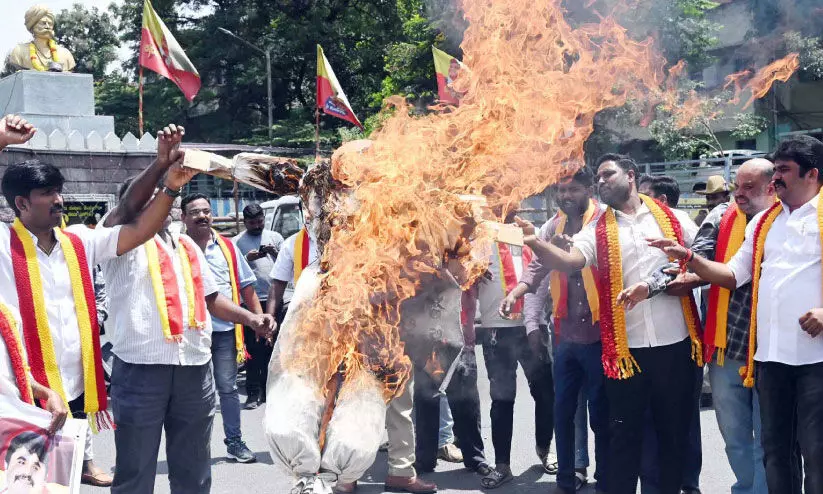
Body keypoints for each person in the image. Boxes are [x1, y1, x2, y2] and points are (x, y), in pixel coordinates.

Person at [0, 115, 196, 487]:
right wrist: (0, 141)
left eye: (59, 192)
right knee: (20, 484)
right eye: (49, 195)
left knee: (60, 483)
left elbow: (136, 229)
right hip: (21, 389)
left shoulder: (78, 241)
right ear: (22, 204)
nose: (59, 201)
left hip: (74, 389)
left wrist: (167, 186)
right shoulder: (3, 246)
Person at [510, 153, 701, 494]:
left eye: (607, 174)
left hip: (675, 344)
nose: (601, 181)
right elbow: (570, 262)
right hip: (627, 353)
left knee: (673, 434)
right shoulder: (597, 229)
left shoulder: (673, 219)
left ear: (630, 175)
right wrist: (536, 242)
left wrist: (679, 277)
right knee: (624, 436)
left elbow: (701, 261)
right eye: (598, 177)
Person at [100, 127, 274, 492]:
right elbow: (129, 209)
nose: (158, 203)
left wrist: (252, 318)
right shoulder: (114, 238)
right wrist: (161, 167)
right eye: (148, 197)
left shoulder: (186, 245)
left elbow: (211, 299)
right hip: (141, 370)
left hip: (195, 368)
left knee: (194, 471)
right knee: (135, 471)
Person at [648, 136, 823, 494]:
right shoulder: (764, 223)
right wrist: (689, 256)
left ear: (813, 174)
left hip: (816, 360)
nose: (776, 180)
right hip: (770, 359)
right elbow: (732, 274)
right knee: (775, 453)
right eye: (774, 171)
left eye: (784, 171)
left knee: (817, 453)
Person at [664, 158, 776, 494]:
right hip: (726, 347)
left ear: (771, 187)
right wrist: (682, 275)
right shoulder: (720, 216)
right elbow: (698, 255)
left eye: (748, 188)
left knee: (768, 439)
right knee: (735, 438)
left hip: (771, 351)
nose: (738, 195)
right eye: (736, 187)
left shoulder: (786, 218)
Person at [502, 168, 608, 493]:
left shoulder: (606, 222)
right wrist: (517, 295)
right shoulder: (553, 225)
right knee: (563, 411)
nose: (565, 196)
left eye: (572, 189)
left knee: (602, 414)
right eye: (561, 190)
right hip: (564, 336)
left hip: (602, 336)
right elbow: (538, 266)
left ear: (589, 189)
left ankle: (606, 475)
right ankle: (568, 476)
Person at [181, 193, 264, 463]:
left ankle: (235, 442)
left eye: (206, 210)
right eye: (195, 212)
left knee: (227, 389)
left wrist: (260, 319)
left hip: (226, 333)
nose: (203, 215)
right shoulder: (176, 248)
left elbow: (246, 287)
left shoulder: (227, 247)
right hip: (191, 335)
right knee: (194, 394)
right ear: (183, 218)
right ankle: (194, 448)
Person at [475, 203, 553, 490]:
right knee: (502, 399)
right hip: (497, 330)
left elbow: (545, 278)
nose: (507, 203)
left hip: (533, 327)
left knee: (546, 394)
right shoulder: (478, 238)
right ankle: (503, 466)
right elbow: (464, 280)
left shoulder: (530, 234)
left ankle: (545, 449)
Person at [637, 173, 703, 494]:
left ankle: (689, 485)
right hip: (639, 342)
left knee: (684, 420)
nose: (638, 203)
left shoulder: (682, 224)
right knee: (649, 422)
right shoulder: (626, 226)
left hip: (682, 339)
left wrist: (672, 277)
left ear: (661, 202)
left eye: (644, 197)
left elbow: (701, 262)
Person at [233, 203, 284, 409]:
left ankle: (271, 393)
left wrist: (274, 254)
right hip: (251, 302)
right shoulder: (236, 242)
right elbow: (233, 271)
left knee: (273, 348)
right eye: (252, 223)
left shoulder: (276, 238)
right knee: (253, 350)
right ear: (244, 222)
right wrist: (247, 258)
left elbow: (285, 267)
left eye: (260, 221)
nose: (257, 225)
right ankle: (253, 393)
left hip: (274, 300)